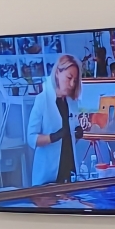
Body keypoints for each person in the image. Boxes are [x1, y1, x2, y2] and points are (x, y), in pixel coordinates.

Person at [27, 54, 84, 186]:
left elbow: (68, 141)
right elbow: (31, 138)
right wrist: (53, 137)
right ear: (58, 73)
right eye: (69, 78)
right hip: (47, 176)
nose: (72, 84)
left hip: (69, 172)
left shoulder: (72, 103)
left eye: (75, 80)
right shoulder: (42, 100)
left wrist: (77, 135)